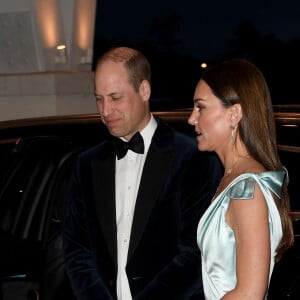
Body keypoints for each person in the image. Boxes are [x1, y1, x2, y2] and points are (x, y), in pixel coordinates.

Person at [62, 46, 222, 300]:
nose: (105, 111)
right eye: (99, 98)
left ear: (144, 91)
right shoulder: (86, 164)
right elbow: (77, 250)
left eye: (115, 98)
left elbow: (197, 252)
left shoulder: (193, 158)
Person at [188, 58, 294, 299]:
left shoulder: (247, 189)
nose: (191, 119)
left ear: (234, 114)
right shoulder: (236, 181)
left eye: (200, 107)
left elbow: (249, 294)